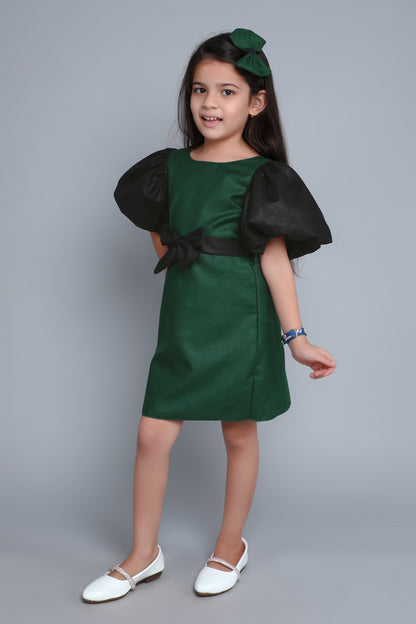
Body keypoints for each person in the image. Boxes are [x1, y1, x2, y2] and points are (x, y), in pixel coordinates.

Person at [81, 27, 336, 603]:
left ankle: (229, 544)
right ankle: (142, 554)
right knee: (152, 434)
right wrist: (180, 255)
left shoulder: (263, 175)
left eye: (227, 91)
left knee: (238, 433)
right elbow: (159, 228)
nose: (210, 103)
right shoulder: (169, 168)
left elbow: (274, 260)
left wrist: (296, 338)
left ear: (256, 103)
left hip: (242, 319)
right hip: (185, 320)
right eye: (200, 90)